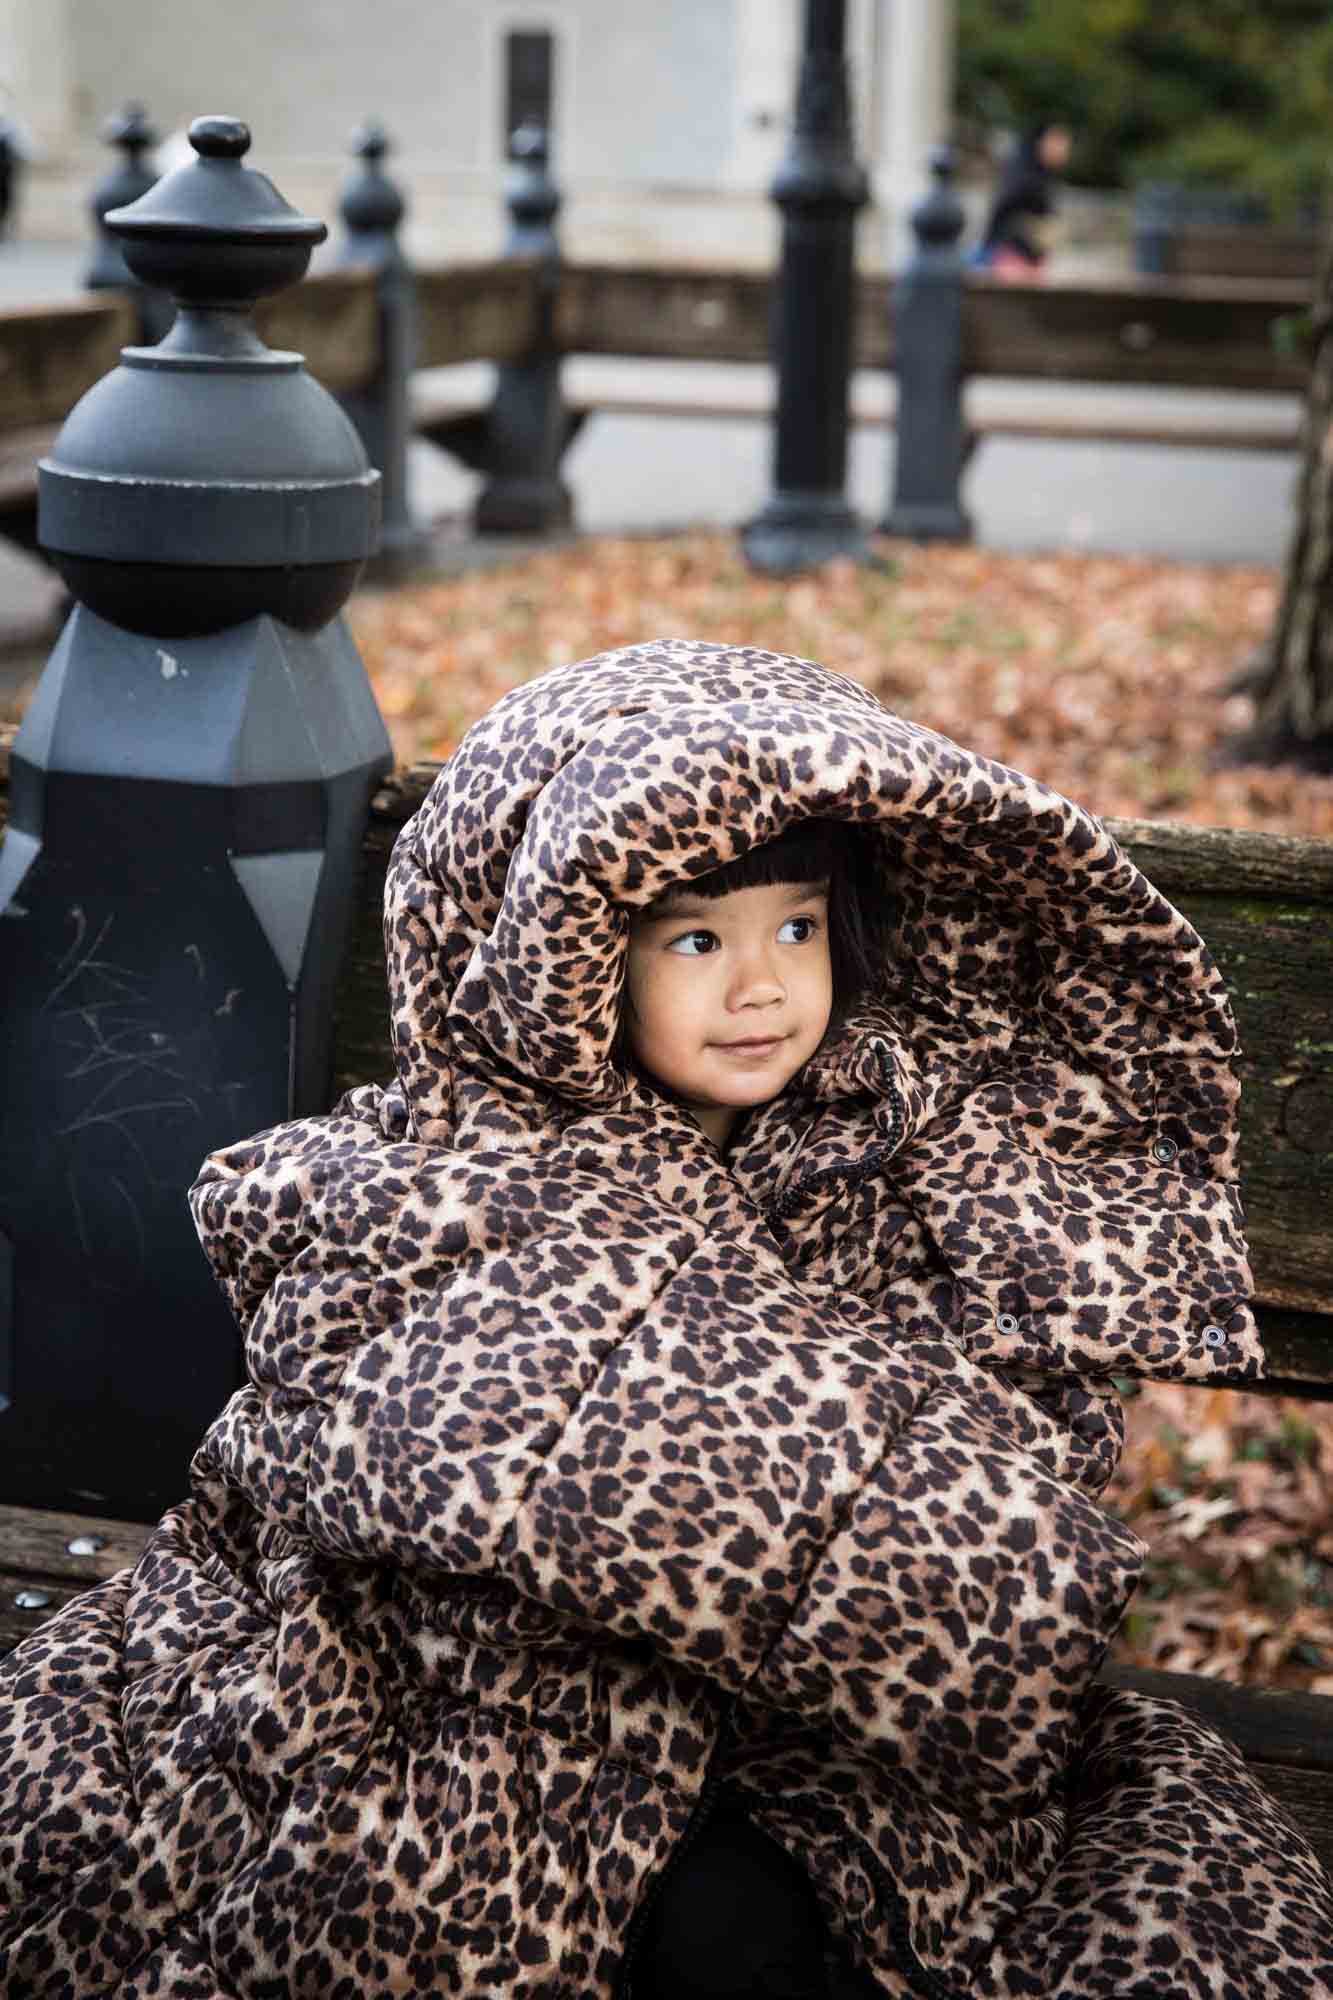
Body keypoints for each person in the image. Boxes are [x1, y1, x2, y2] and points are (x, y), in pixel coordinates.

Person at [3, 639, 1332, 1999]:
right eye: (695, 937)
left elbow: (1014, 1433)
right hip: (494, 1692)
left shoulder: (904, 1157)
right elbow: (393, 1415)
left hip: (809, 1746)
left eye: (798, 928)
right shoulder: (438, 1172)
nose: (760, 986)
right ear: (564, 965)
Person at [973, 121, 1072, 279]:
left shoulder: (1042, 175)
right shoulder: (1025, 177)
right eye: (1058, 141)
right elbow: (1003, 212)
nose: (1064, 149)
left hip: (1028, 260)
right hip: (1012, 259)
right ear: (1041, 141)